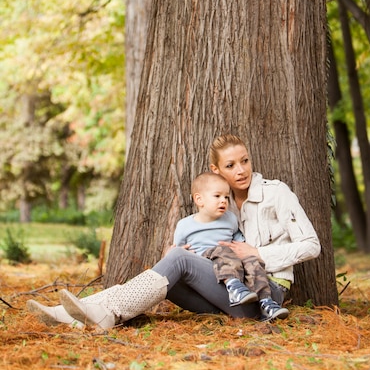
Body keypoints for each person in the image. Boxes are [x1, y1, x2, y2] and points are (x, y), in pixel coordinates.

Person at [27, 134, 321, 329]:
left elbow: (311, 245)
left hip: (264, 296)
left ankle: (106, 313)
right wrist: (184, 254)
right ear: (216, 170)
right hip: (230, 295)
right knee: (171, 267)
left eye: (244, 160)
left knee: (178, 260)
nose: (241, 170)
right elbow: (213, 247)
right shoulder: (223, 206)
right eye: (230, 165)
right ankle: (70, 314)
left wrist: (257, 252)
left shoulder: (276, 193)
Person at [174, 171, 288, 320]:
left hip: (231, 262)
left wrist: (246, 253)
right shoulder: (185, 225)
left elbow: (238, 241)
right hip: (207, 266)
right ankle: (234, 288)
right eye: (217, 196)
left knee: (251, 260)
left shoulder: (230, 219)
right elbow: (179, 251)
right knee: (222, 250)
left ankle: (266, 302)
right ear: (199, 199)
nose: (223, 201)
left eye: (226, 197)